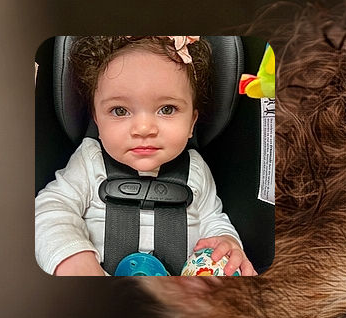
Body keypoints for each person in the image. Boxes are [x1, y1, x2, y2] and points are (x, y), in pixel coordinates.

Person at [35, 35, 256, 276]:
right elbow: (50, 208)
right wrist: (72, 256)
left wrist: (226, 241)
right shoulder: (90, 161)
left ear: (192, 122)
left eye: (167, 109)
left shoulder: (196, 169)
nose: (143, 129)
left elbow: (213, 219)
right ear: (97, 119)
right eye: (119, 111)